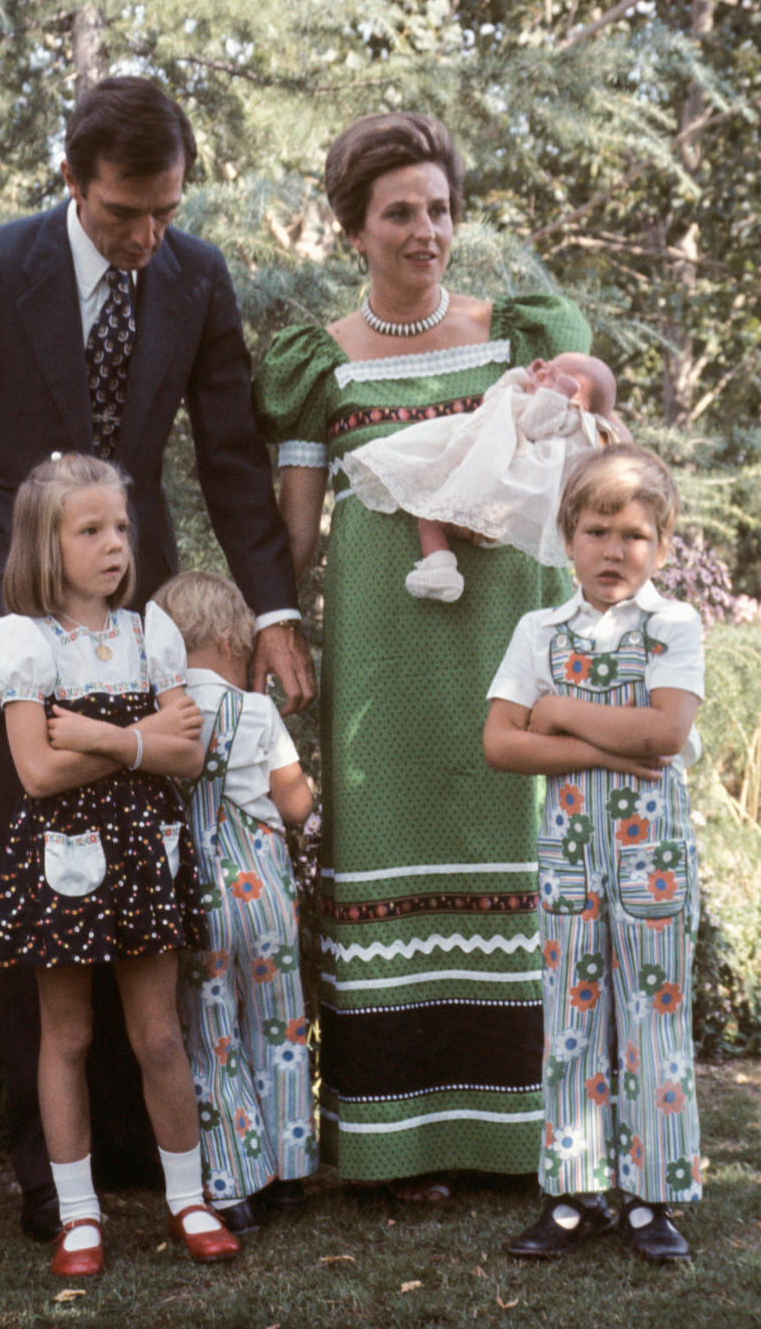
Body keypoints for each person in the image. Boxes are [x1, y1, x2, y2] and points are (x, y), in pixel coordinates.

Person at [0, 75, 315, 1238]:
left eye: (167, 210)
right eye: (128, 212)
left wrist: (271, 612)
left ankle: (148, 1146)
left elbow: (230, 454)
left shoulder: (195, 274)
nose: (148, 237)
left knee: (146, 863)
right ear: (74, 182)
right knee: (38, 874)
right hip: (10, 611)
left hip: (140, 615)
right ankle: (49, 1171)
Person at [253, 111, 592, 1199]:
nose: (426, 231)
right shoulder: (322, 365)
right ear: (355, 229)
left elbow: (582, 480)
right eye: (400, 212)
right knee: (387, 864)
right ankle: (399, 1146)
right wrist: (273, 626)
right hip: (385, 666)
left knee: (516, 855)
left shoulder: (518, 335)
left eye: (440, 209)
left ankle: (516, 1134)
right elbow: (296, 525)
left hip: (512, 650)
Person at [0, 453, 242, 1273]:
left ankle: (188, 1200)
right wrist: (143, 744)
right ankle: (79, 1214)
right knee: (67, 1035)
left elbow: (187, 755)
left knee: (159, 1034)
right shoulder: (24, 643)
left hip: (144, 857)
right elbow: (36, 771)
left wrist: (97, 735)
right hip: (62, 863)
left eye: (120, 527)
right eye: (89, 529)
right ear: (44, 545)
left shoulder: (148, 633)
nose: (114, 544)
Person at [484, 446, 702, 1264]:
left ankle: (652, 1200)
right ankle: (576, 1194)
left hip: (654, 862)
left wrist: (556, 712)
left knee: (654, 1019)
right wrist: (607, 749)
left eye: (636, 535)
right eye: (597, 530)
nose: (615, 551)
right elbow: (502, 744)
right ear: (568, 538)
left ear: (663, 544)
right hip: (570, 857)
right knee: (570, 1022)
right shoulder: (539, 630)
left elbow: (667, 731)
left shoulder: (672, 625)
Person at [152, 571, 318, 1237]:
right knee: (279, 1020)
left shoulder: (159, 714)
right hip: (264, 892)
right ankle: (289, 1173)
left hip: (195, 893)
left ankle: (231, 1184)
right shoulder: (256, 711)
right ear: (229, 639)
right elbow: (296, 803)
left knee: (209, 1029)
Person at [343, 352, 627, 600]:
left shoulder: (567, 420)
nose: (541, 374)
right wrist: (524, 375)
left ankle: (439, 563)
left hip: (494, 501)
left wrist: (555, 395)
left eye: (553, 376)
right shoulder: (529, 401)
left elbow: (533, 424)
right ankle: (440, 567)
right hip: (485, 503)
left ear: (575, 400)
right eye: (545, 367)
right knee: (429, 519)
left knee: (431, 516)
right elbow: (494, 396)